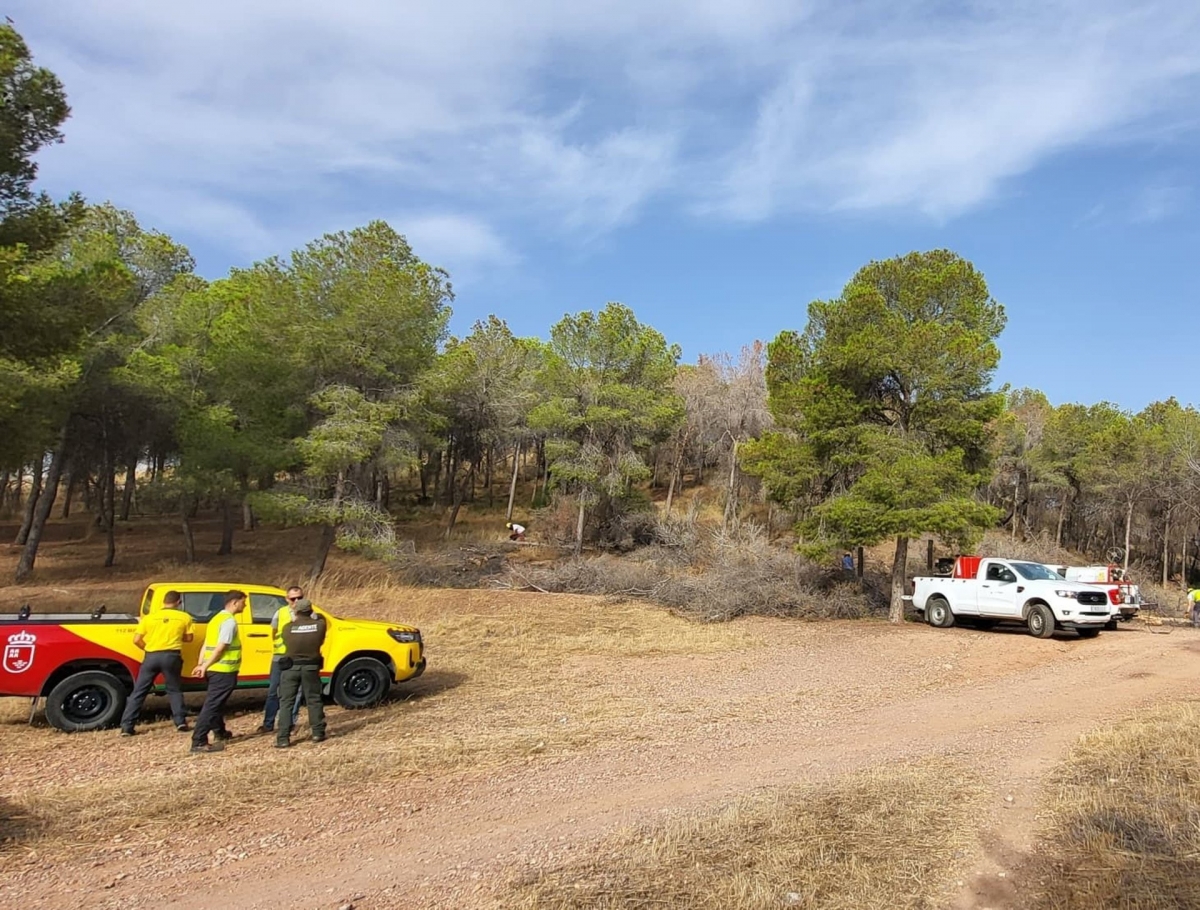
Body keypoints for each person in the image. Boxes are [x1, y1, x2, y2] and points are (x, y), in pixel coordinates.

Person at [119, 590, 194, 736]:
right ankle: (180, 722)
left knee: (139, 691)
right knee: (174, 689)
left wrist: (147, 647)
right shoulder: (184, 617)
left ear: (163, 602)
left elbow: (136, 640)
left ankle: (127, 726)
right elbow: (189, 638)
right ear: (179, 602)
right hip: (172, 656)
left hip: (152, 656)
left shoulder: (149, 618)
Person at [189, 590, 247, 754]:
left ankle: (220, 732)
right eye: (243, 602)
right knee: (213, 705)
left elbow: (206, 644)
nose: (245, 606)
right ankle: (199, 741)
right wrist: (204, 666)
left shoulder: (216, 619)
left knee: (216, 703)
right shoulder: (229, 622)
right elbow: (221, 647)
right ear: (235, 602)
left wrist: (201, 664)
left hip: (213, 669)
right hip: (223, 670)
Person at [276, 598, 327, 748]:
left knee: (286, 702)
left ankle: (283, 738)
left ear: (296, 612)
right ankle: (317, 733)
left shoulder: (287, 628)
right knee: (314, 700)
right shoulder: (320, 626)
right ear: (311, 611)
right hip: (311, 667)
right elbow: (322, 619)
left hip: (291, 668)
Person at [258, 585, 305, 734]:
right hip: (280, 658)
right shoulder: (280, 613)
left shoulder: (310, 614)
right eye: (293, 599)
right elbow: (273, 632)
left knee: (296, 692)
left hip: (298, 658)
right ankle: (268, 723)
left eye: (299, 598)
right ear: (287, 599)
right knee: (274, 691)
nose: (296, 601)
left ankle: (290, 723)